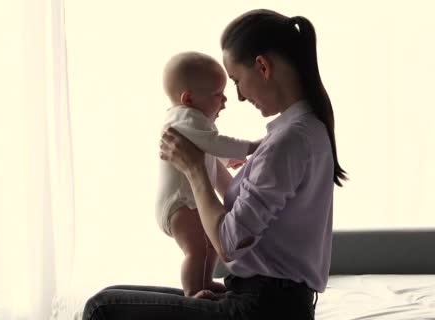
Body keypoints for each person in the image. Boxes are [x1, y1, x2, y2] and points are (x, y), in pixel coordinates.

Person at [82, 8, 347, 320]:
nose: (238, 97)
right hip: (270, 300)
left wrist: (195, 169)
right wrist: (205, 163)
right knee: (114, 298)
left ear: (262, 66)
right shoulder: (307, 129)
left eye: (236, 80)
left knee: (102, 308)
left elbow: (228, 244)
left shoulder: (288, 141)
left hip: (263, 308)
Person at [156, 51, 260, 297]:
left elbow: (205, 148)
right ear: (189, 98)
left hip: (184, 204)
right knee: (198, 249)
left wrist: (226, 159)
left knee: (208, 245)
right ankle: (193, 291)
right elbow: (215, 143)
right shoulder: (187, 117)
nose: (225, 100)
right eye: (217, 94)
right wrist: (254, 147)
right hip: (180, 205)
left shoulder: (186, 120)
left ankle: (204, 282)